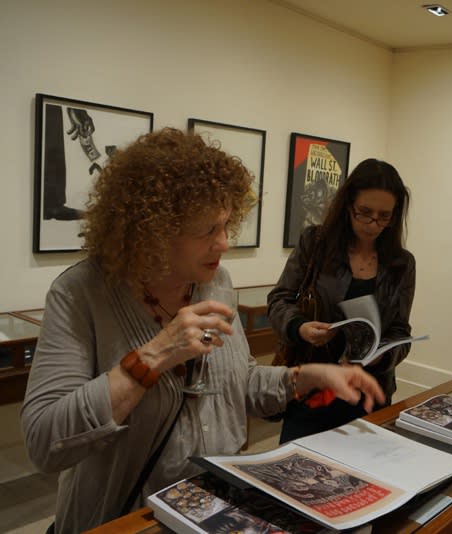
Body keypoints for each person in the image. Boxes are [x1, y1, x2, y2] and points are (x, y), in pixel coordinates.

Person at [20, 128, 384, 534]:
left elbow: (237, 384)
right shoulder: (80, 294)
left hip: (212, 514)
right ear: (152, 232)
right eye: (207, 231)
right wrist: (154, 356)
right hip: (124, 522)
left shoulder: (217, 282)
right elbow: (45, 443)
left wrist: (306, 377)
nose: (225, 243)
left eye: (227, 224)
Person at [268, 158, 415, 443]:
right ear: (349, 204)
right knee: (296, 472)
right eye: (365, 212)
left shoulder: (401, 263)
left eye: (384, 216)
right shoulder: (315, 243)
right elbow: (279, 300)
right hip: (312, 387)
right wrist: (300, 327)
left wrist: (384, 354)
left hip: (368, 393)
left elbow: (401, 332)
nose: (373, 224)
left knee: (360, 478)